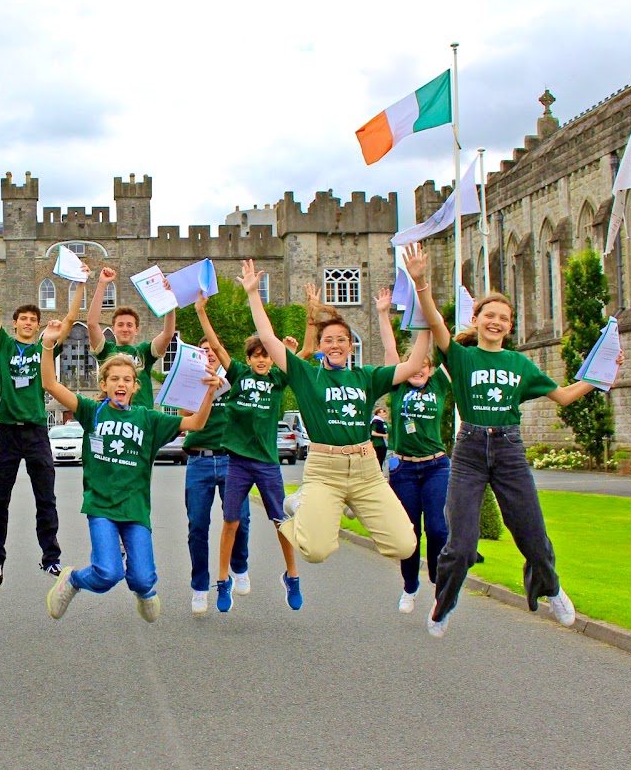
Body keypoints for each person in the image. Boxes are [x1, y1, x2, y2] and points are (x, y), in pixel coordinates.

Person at [405, 246, 624, 637]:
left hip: (508, 451)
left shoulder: (520, 365)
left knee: (532, 534)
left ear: (510, 327)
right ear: (476, 319)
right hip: (470, 451)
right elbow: (436, 322)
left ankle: (551, 588)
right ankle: (444, 604)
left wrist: (599, 375)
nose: (496, 321)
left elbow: (564, 396)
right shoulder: (459, 356)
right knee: (461, 542)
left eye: (503, 318)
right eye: (489, 315)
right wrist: (421, 281)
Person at [241, 258, 427, 586]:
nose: (336, 345)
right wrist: (254, 294)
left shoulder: (365, 376)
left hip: (366, 468)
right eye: (329, 340)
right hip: (325, 469)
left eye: (342, 339)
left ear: (350, 344)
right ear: (322, 347)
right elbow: (269, 340)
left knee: (405, 544)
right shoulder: (306, 376)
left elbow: (411, 366)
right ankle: (305, 505)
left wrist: (422, 302)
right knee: (314, 551)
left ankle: (337, 504)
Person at [41, 321, 223, 622]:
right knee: (107, 572)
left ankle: (144, 590)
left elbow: (195, 424)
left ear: (136, 386)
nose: (121, 384)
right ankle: (72, 580)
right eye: (114, 379)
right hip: (101, 505)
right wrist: (48, 345)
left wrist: (207, 395)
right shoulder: (91, 411)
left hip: (135, 507)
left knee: (142, 579)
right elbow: (50, 384)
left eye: (127, 379)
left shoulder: (149, 419)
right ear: (104, 385)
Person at [0, 242, 81, 587]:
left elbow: (68, 321)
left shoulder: (44, 347)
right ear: (15, 323)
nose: (28, 324)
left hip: (37, 431)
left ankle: (50, 558)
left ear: (37, 326)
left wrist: (79, 285)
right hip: (7, 430)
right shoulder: (4, 345)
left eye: (33, 321)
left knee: (45, 498)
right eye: (23, 319)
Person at [193, 293, 300, 613]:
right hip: (237, 461)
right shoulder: (238, 374)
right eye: (256, 355)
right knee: (231, 521)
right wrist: (201, 311)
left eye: (267, 355)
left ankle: (292, 576)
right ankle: (223, 581)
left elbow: (300, 357)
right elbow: (217, 346)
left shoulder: (279, 380)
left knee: (281, 520)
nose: (262, 360)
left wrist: (303, 333)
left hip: (267, 462)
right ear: (249, 358)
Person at [374, 287, 451, 614]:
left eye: (424, 367)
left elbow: (446, 346)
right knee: (409, 534)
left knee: (437, 528)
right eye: (414, 366)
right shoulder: (399, 385)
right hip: (404, 470)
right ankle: (409, 585)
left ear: (431, 370)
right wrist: (381, 314)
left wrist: (429, 311)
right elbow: (391, 349)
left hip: (435, 466)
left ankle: (435, 576)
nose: (419, 371)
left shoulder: (440, 384)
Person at [180, 317, 252, 615]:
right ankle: (199, 587)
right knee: (198, 526)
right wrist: (206, 391)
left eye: (213, 349)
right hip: (198, 460)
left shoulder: (235, 378)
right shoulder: (191, 378)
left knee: (241, 520)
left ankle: (239, 563)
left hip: (231, 459)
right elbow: (182, 413)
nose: (209, 353)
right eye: (204, 350)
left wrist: (224, 387)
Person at [87, 266, 176, 409]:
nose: (125, 329)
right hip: (114, 413)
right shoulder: (107, 350)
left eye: (129, 325)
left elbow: (168, 334)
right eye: (120, 325)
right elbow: (92, 324)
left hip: (141, 414)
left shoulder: (144, 351)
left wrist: (169, 300)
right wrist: (102, 284)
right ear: (113, 329)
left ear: (136, 330)